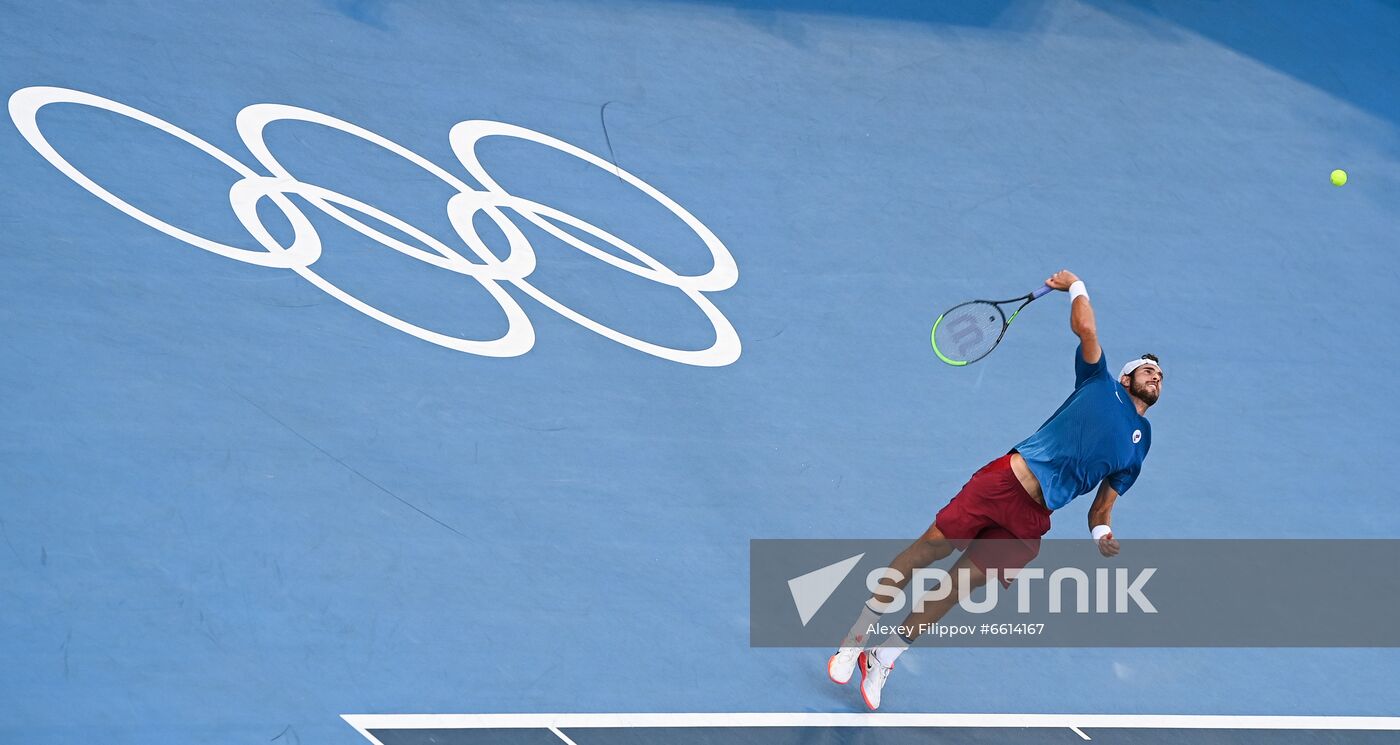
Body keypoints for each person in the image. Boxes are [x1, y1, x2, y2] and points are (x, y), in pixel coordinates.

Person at [827, 269, 1163, 710]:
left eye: (1160, 375)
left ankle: (885, 655)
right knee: (928, 549)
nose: (1156, 376)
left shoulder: (1142, 443)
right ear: (1126, 378)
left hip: (1032, 519)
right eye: (1147, 369)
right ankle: (855, 638)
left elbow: (1102, 507)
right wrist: (1076, 285)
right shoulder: (1098, 382)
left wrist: (1102, 534)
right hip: (1005, 481)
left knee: (956, 587)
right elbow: (1086, 327)